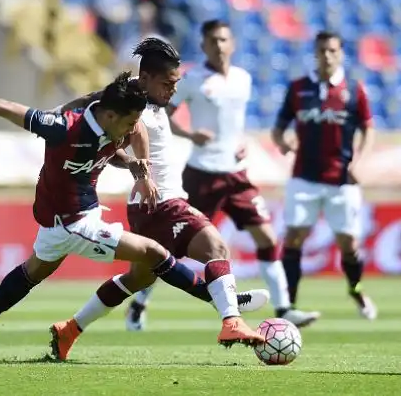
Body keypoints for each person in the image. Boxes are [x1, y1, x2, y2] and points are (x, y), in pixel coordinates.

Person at [0, 71, 265, 358]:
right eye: (129, 122)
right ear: (111, 115)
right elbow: (8, 108)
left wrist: (138, 169)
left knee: (33, 272)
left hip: (64, 219)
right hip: (74, 222)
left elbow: (131, 138)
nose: (132, 130)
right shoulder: (62, 126)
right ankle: (222, 305)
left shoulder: (118, 123)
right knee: (154, 254)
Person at [48, 38, 269, 361]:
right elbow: (108, 141)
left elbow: (89, 99)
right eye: (167, 83)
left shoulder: (144, 101)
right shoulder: (128, 108)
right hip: (160, 202)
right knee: (216, 247)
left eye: (176, 83)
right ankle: (231, 318)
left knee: (137, 278)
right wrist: (60, 115)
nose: (173, 90)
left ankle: (70, 328)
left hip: (149, 205)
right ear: (146, 78)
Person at [125, 20, 319, 329]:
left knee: (267, 237)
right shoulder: (191, 80)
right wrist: (191, 135)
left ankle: (285, 308)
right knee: (168, 246)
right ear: (203, 45)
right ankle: (139, 302)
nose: (218, 45)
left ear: (233, 43)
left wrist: (242, 142)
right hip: (203, 173)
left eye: (224, 39)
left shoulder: (242, 79)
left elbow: (234, 122)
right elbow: (163, 115)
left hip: (236, 173)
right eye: (212, 40)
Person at [271, 31, 377, 320]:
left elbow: (368, 128)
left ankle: (356, 289)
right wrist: (283, 142)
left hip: (342, 180)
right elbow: (278, 128)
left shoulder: (355, 90)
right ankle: (289, 305)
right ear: (315, 53)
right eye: (322, 50)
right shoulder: (298, 89)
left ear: (341, 53)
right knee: (293, 238)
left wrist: (360, 160)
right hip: (304, 178)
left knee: (349, 245)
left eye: (332, 50)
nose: (327, 55)